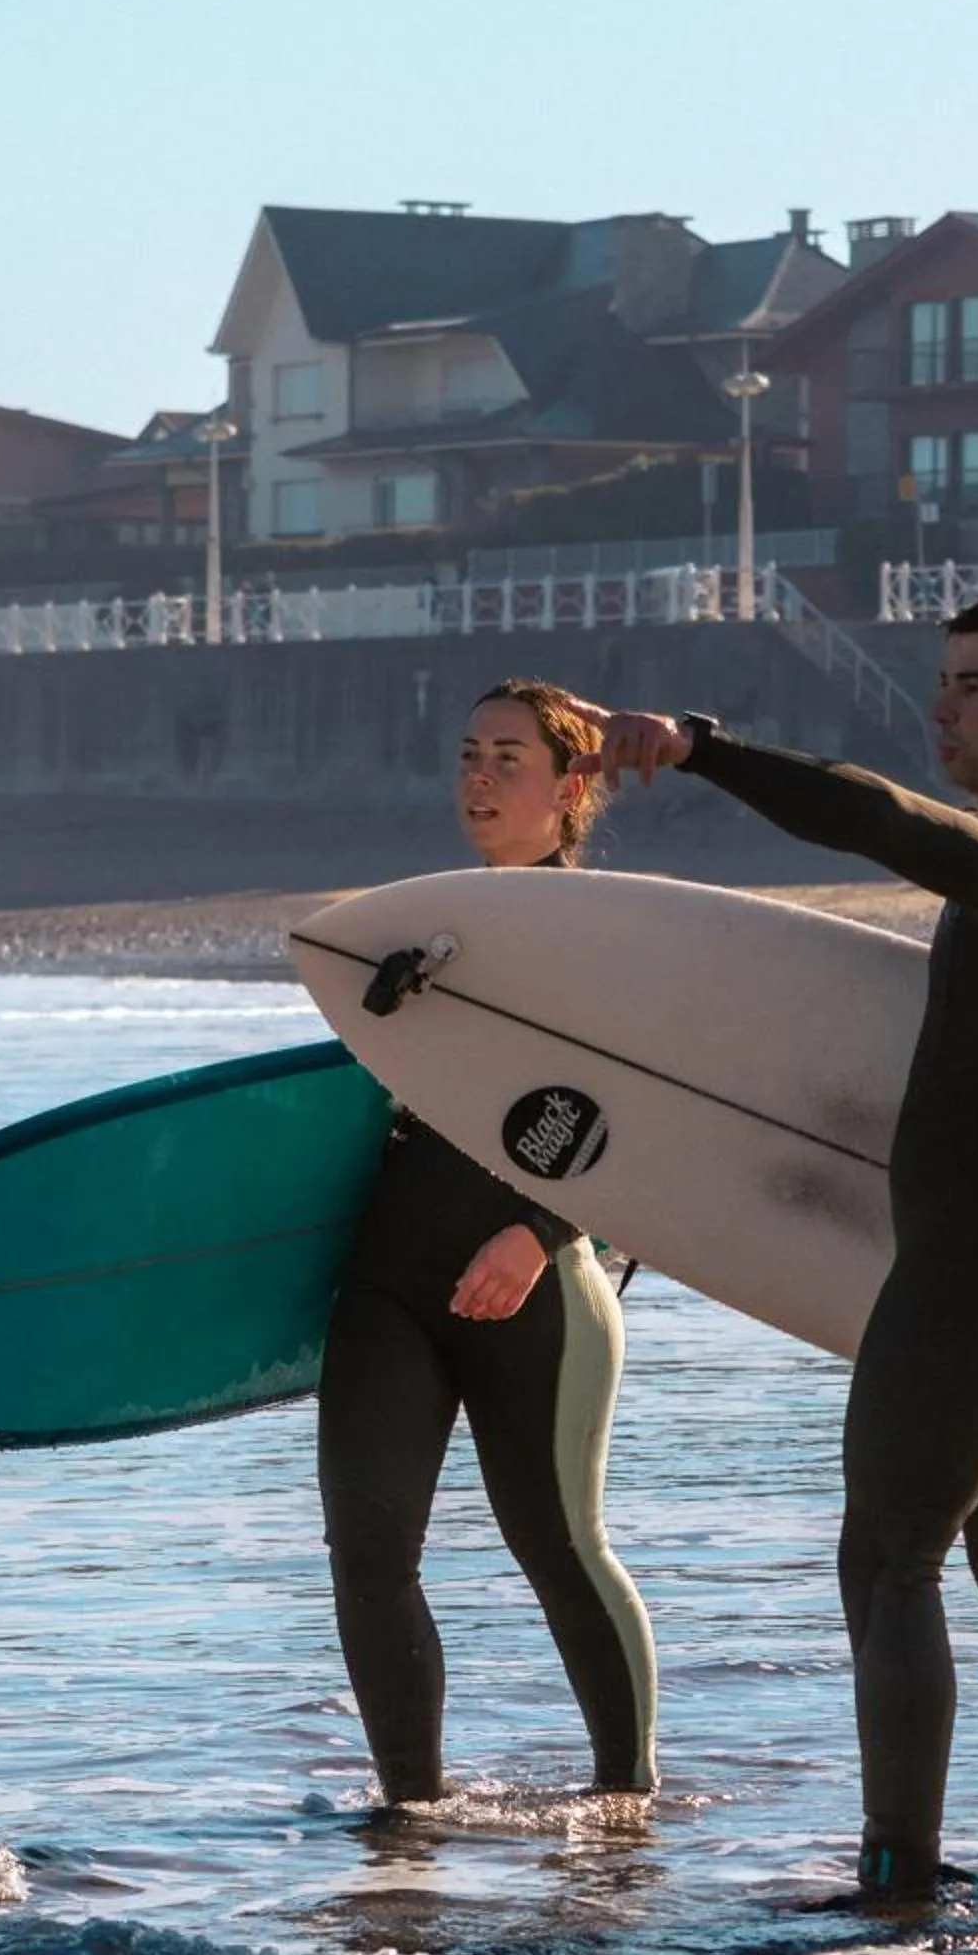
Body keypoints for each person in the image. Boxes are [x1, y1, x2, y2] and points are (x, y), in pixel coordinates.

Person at [578, 589, 978, 1896]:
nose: (943, 706)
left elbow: (890, 822)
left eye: (977, 687)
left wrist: (702, 749)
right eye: (940, 681)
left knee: (889, 1562)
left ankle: (899, 1882)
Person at [318, 679, 658, 1806]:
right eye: (467, 754)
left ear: (569, 791)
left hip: (539, 1284)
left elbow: (639, 1113)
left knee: (557, 1549)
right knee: (368, 1559)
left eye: (505, 759)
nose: (476, 778)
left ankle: (625, 1804)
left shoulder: (606, 942)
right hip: (389, 1286)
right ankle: (409, 1815)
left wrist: (538, 1229)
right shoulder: (416, 931)